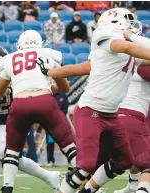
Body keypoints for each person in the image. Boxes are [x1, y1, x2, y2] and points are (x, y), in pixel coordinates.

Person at [41, 8, 150, 193]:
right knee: (86, 166)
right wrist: (131, 37)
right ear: (116, 22)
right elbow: (125, 46)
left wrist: (51, 72)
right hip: (91, 111)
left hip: (112, 115)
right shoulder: (107, 36)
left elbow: (82, 68)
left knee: (124, 161)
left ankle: (87, 190)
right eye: (128, 21)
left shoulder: (116, 53)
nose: (132, 26)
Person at [0, 30, 76, 193]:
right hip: (44, 101)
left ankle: (7, 187)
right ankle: (81, 178)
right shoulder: (49, 54)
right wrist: (50, 86)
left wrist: (15, 85)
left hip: (19, 104)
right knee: (68, 143)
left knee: (12, 150)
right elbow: (65, 88)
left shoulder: (10, 59)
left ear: (20, 44)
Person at [0, 46, 61, 193]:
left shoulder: (18, 75)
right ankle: (49, 177)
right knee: (12, 158)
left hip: (18, 122)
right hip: (0, 125)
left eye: (0, 64)